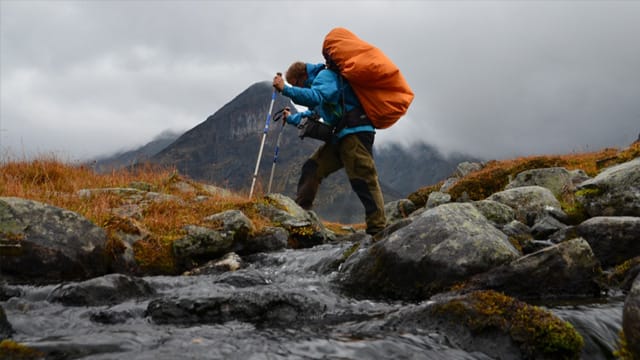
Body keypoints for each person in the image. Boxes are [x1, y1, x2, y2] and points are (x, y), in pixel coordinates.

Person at [272, 61, 387, 236]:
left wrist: (286, 89)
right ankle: (301, 219)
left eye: (297, 85)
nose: (299, 89)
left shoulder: (324, 77)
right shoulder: (319, 85)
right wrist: (291, 118)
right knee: (312, 168)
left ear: (302, 77)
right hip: (341, 136)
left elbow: (315, 97)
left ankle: (378, 230)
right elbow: (313, 113)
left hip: (355, 132)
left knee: (362, 178)